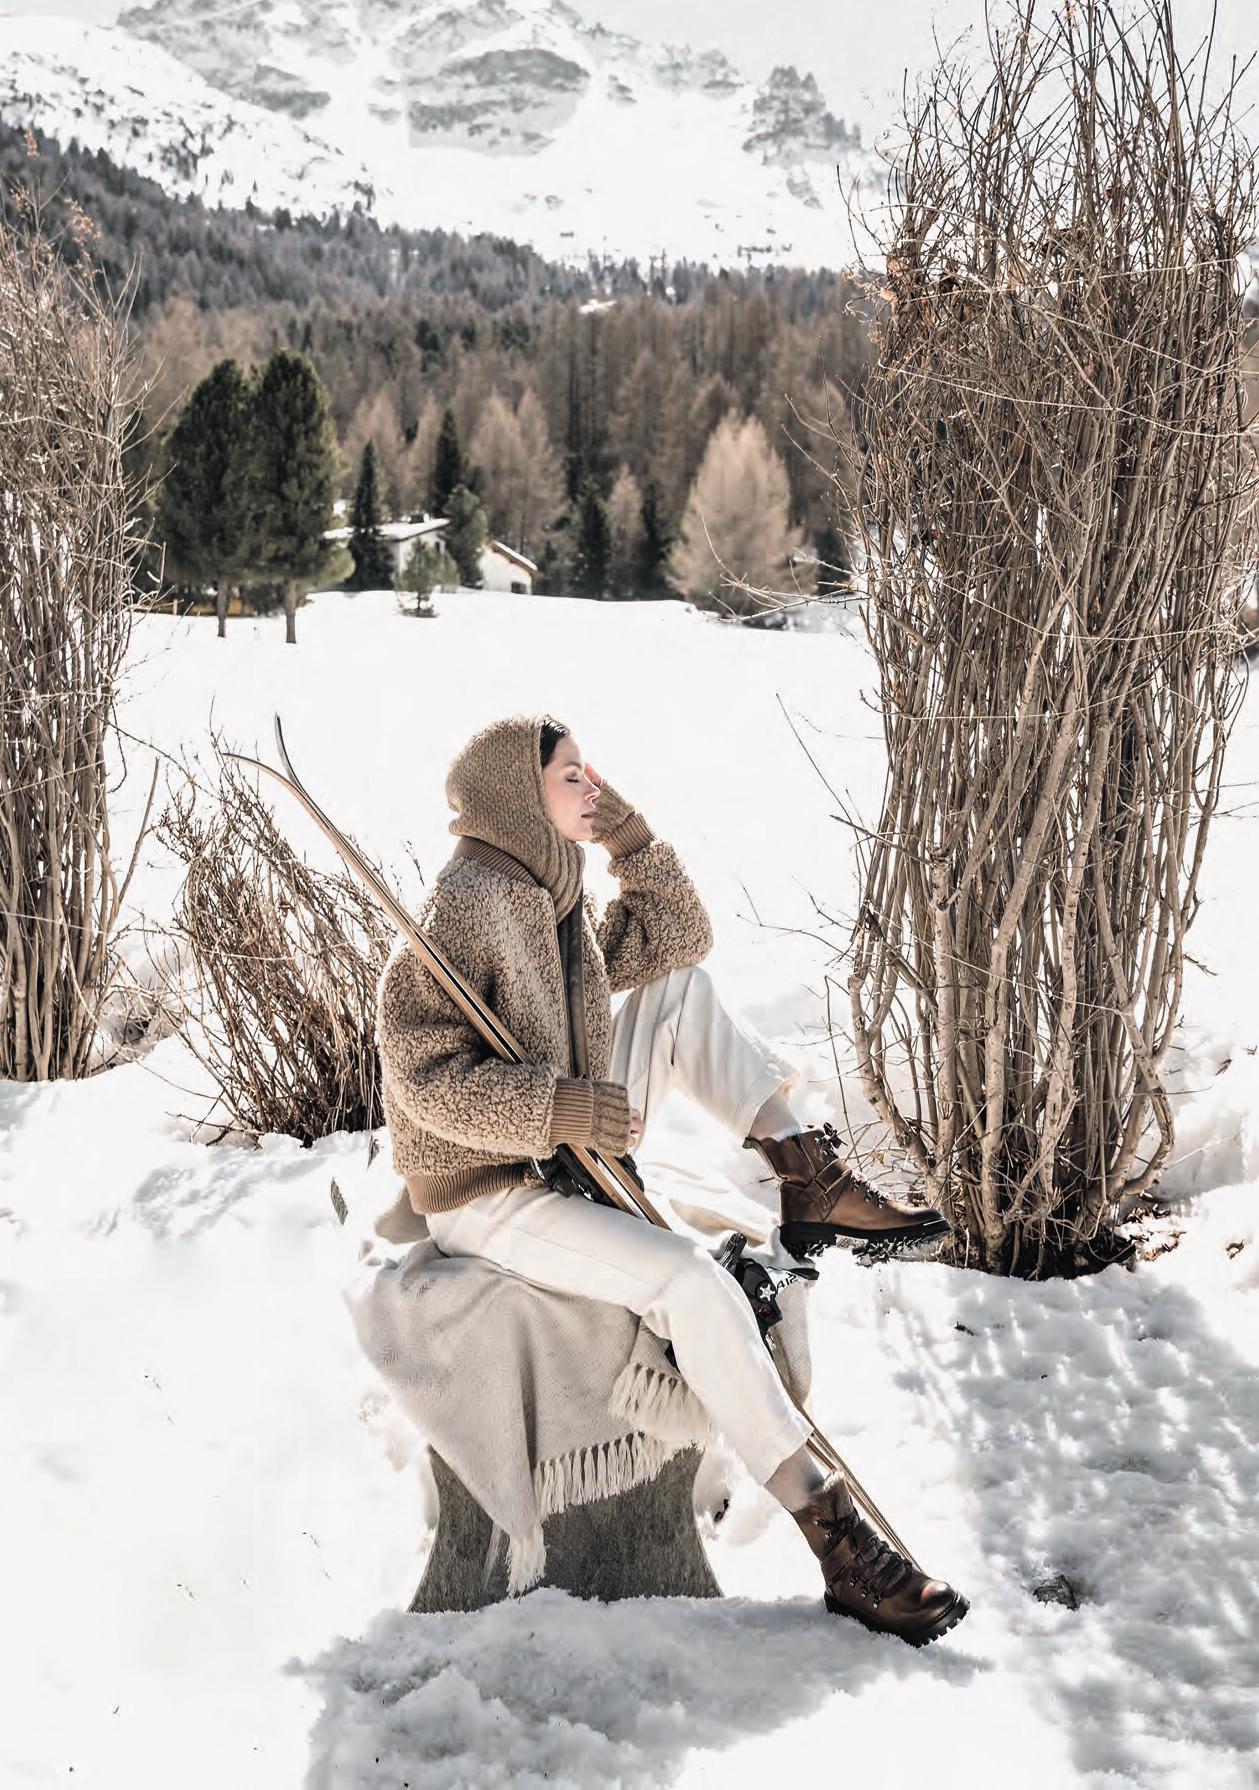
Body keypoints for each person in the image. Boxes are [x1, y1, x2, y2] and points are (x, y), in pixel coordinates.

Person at [375, 711, 968, 1645]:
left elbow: (679, 937)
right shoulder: (466, 900)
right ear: (515, 793)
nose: (591, 784)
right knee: (690, 1283)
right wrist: (558, 1110)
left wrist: (630, 840)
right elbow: (423, 1077)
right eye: (570, 775)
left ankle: (806, 1173)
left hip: (568, 1144)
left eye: (588, 770)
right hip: (491, 1190)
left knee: (680, 988)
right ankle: (837, 1540)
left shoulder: (549, 888)